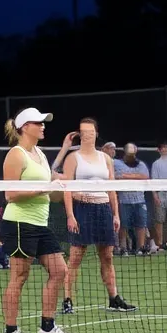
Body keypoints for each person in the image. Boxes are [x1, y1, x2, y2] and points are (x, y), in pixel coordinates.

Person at [0, 108, 76, 333]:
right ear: (24, 127)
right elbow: (10, 194)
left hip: (40, 223)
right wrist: (42, 189)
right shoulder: (16, 154)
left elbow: (50, 192)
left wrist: (59, 188)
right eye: (38, 123)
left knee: (60, 271)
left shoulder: (40, 153)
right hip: (20, 223)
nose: (43, 126)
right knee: (19, 277)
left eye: (43, 123)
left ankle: (47, 328)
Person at [61, 118, 136, 315]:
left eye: (91, 131)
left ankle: (114, 298)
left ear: (96, 134)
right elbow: (67, 188)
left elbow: (111, 189)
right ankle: (67, 300)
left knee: (107, 257)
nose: (87, 135)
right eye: (84, 131)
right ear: (80, 134)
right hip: (82, 209)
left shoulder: (106, 159)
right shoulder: (73, 158)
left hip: (103, 210)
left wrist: (115, 214)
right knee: (75, 258)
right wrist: (70, 215)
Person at [113, 144, 151, 255]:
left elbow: (145, 176)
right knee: (123, 225)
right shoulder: (116, 163)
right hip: (124, 201)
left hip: (140, 200)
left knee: (141, 225)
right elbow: (116, 176)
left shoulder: (141, 164)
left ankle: (141, 248)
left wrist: (126, 176)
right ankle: (123, 248)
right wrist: (134, 176)